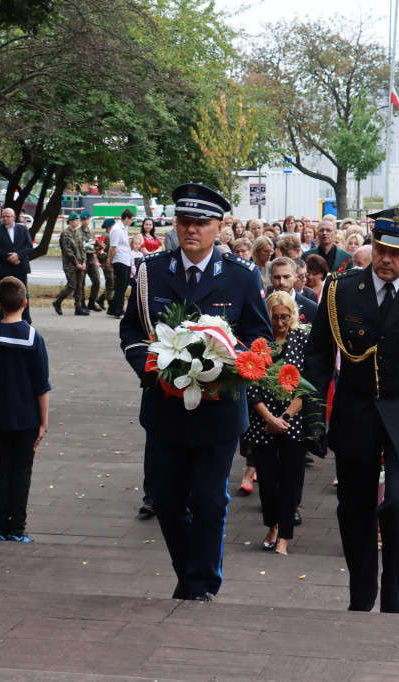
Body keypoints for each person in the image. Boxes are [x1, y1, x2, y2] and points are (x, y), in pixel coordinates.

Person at [119, 183, 272, 602]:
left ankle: (201, 584)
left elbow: (259, 338)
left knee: (208, 500)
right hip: (164, 407)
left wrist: (222, 365)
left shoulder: (241, 276)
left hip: (219, 410)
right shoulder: (151, 270)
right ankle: (190, 576)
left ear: (218, 227)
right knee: (166, 501)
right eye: (184, 222)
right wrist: (150, 367)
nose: (191, 231)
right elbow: (132, 328)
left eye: (201, 224)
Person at [304, 207, 399, 614]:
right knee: (354, 509)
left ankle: (393, 586)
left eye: (397, 252)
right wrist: (315, 418)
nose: (386, 259)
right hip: (355, 414)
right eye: (380, 249)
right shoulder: (341, 290)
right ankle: (361, 593)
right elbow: (319, 359)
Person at [0, 276, 51, 543]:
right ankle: (17, 529)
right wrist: (43, 423)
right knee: (21, 472)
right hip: (27, 419)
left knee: (1, 471)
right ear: (25, 303)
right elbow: (41, 386)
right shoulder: (33, 337)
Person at [244, 291, 309, 556]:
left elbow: (309, 384)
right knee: (268, 482)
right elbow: (250, 382)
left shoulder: (303, 339)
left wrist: (284, 419)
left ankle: (283, 536)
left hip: (294, 420)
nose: (281, 322)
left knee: (290, 481)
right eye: (275, 316)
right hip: (262, 421)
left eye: (286, 316)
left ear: (292, 316)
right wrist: (269, 418)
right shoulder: (259, 343)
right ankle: (272, 525)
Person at [0, 208, 33, 324]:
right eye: (3, 216)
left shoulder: (22, 229)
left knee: (23, 293)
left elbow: (29, 246)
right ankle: (0, 320)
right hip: (4, 268)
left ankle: (25, 319)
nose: (5, 219)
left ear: (14, 217)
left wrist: (18, 255)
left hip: (20, 267)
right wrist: (9, 258)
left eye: (8, 216)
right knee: (2, 293)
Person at [53, 213, 89, 316]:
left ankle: (78, 307)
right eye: (76, 220)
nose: (78, 222)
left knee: (79, 285)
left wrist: (84, 262)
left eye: (78, 220)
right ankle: (58, 301)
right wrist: (77, 263)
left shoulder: (78, 233)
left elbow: (82, 249)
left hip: (79, 264)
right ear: (71, 221)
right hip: (70, 265)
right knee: (72, 285)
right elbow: (67, 251)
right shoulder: (66, 234)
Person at [268, 256, 318, 323]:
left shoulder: (312, 308)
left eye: (286, 277)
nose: (281, 282)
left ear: (295, 277)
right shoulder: (261, 305)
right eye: (277, 277)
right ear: (271, 279)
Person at [107, 209, 134, 318]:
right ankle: (118, 311)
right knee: (121, 287)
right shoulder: (117, 230)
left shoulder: (124, 228)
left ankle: (112, 308)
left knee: (122, 285)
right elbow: (113, 248)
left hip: (125, 259)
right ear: (126, 218)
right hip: (120, 260)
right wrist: (110, 260)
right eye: (131, 219)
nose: (132, 221)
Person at [79, 212, 104, 311]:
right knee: (81, 283)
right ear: (81, 220)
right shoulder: (78, 233)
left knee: (97, 281)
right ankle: (82, 303)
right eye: (84, 219)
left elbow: (95, 243)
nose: (86, 221)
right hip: (82, 260)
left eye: (87, 219)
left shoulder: (91, 232)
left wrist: (98, 248)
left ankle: (92, 302)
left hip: (91, 259)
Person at [96, 218, 117, 312]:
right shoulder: (105, 236)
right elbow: (99, 250)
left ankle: (101, 299)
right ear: (109, 226)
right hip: (106, 262)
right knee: (110, 284)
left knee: (113, 283)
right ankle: (111, 304)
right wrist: (102, 261)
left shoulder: (111, 234)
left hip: (111, 262)